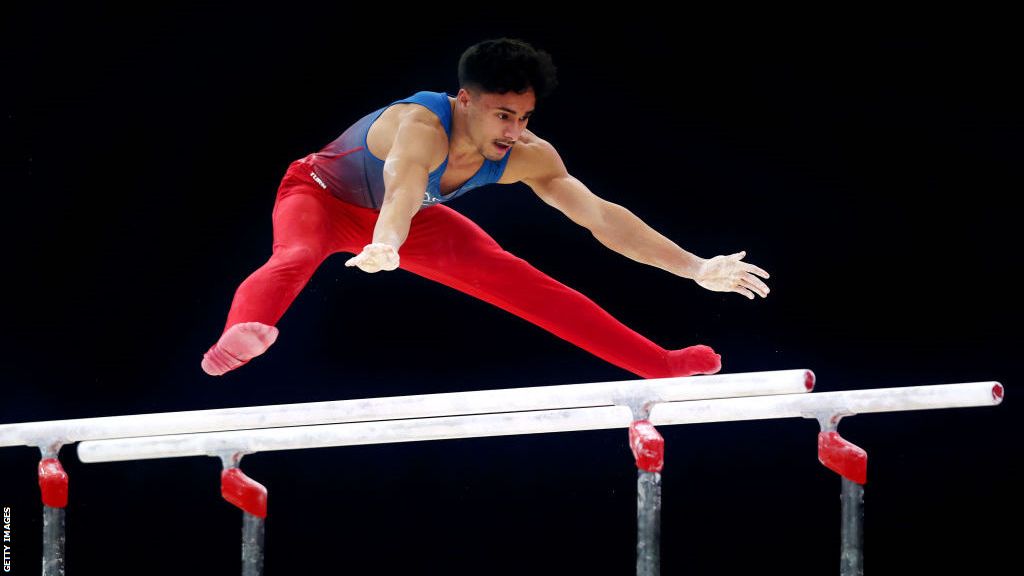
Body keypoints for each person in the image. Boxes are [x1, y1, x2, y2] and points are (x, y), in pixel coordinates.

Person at [201, 38, 770, 379]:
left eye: (524, 117)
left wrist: (694, 266)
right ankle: (237, 339)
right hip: (321, 196)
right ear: (465, 100)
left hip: (411, 222)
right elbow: (402, 187)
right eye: (502, 115)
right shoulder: (421, 126)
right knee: (296, 255)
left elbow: (600, 216)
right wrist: (386, 241)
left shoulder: (529, 154)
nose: (514, 131)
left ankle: (659, 365)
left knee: (521, 282)